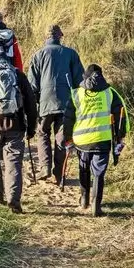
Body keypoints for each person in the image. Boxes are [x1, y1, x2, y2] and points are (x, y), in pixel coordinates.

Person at [0, 52, 38, 214]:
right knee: (14, 165)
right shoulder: (18, 75)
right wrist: (31, 128)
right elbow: (31, 104)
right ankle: (14, 200)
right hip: (16, 126)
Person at [66, 64, 129, 217]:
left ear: (85, 77)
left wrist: (67, 139)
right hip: (103, 140)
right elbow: (121, 116)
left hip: (82, 141)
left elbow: (68, 119)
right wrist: (120, 137)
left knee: (83, 169)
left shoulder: (76, 94)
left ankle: (84, 198)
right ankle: (96, 204)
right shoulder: (111, 93)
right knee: (99, 172)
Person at [28, 25, 84, 183]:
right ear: (60, 36)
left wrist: (33, 106)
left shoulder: (38, 55)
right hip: (66, 104)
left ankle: (45, 167)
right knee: (61, 139)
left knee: (42, 133)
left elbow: (32, 85)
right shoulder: (71, 54)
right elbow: (80, 81)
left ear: (45, 37)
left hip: (45, 103)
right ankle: (58, 173)